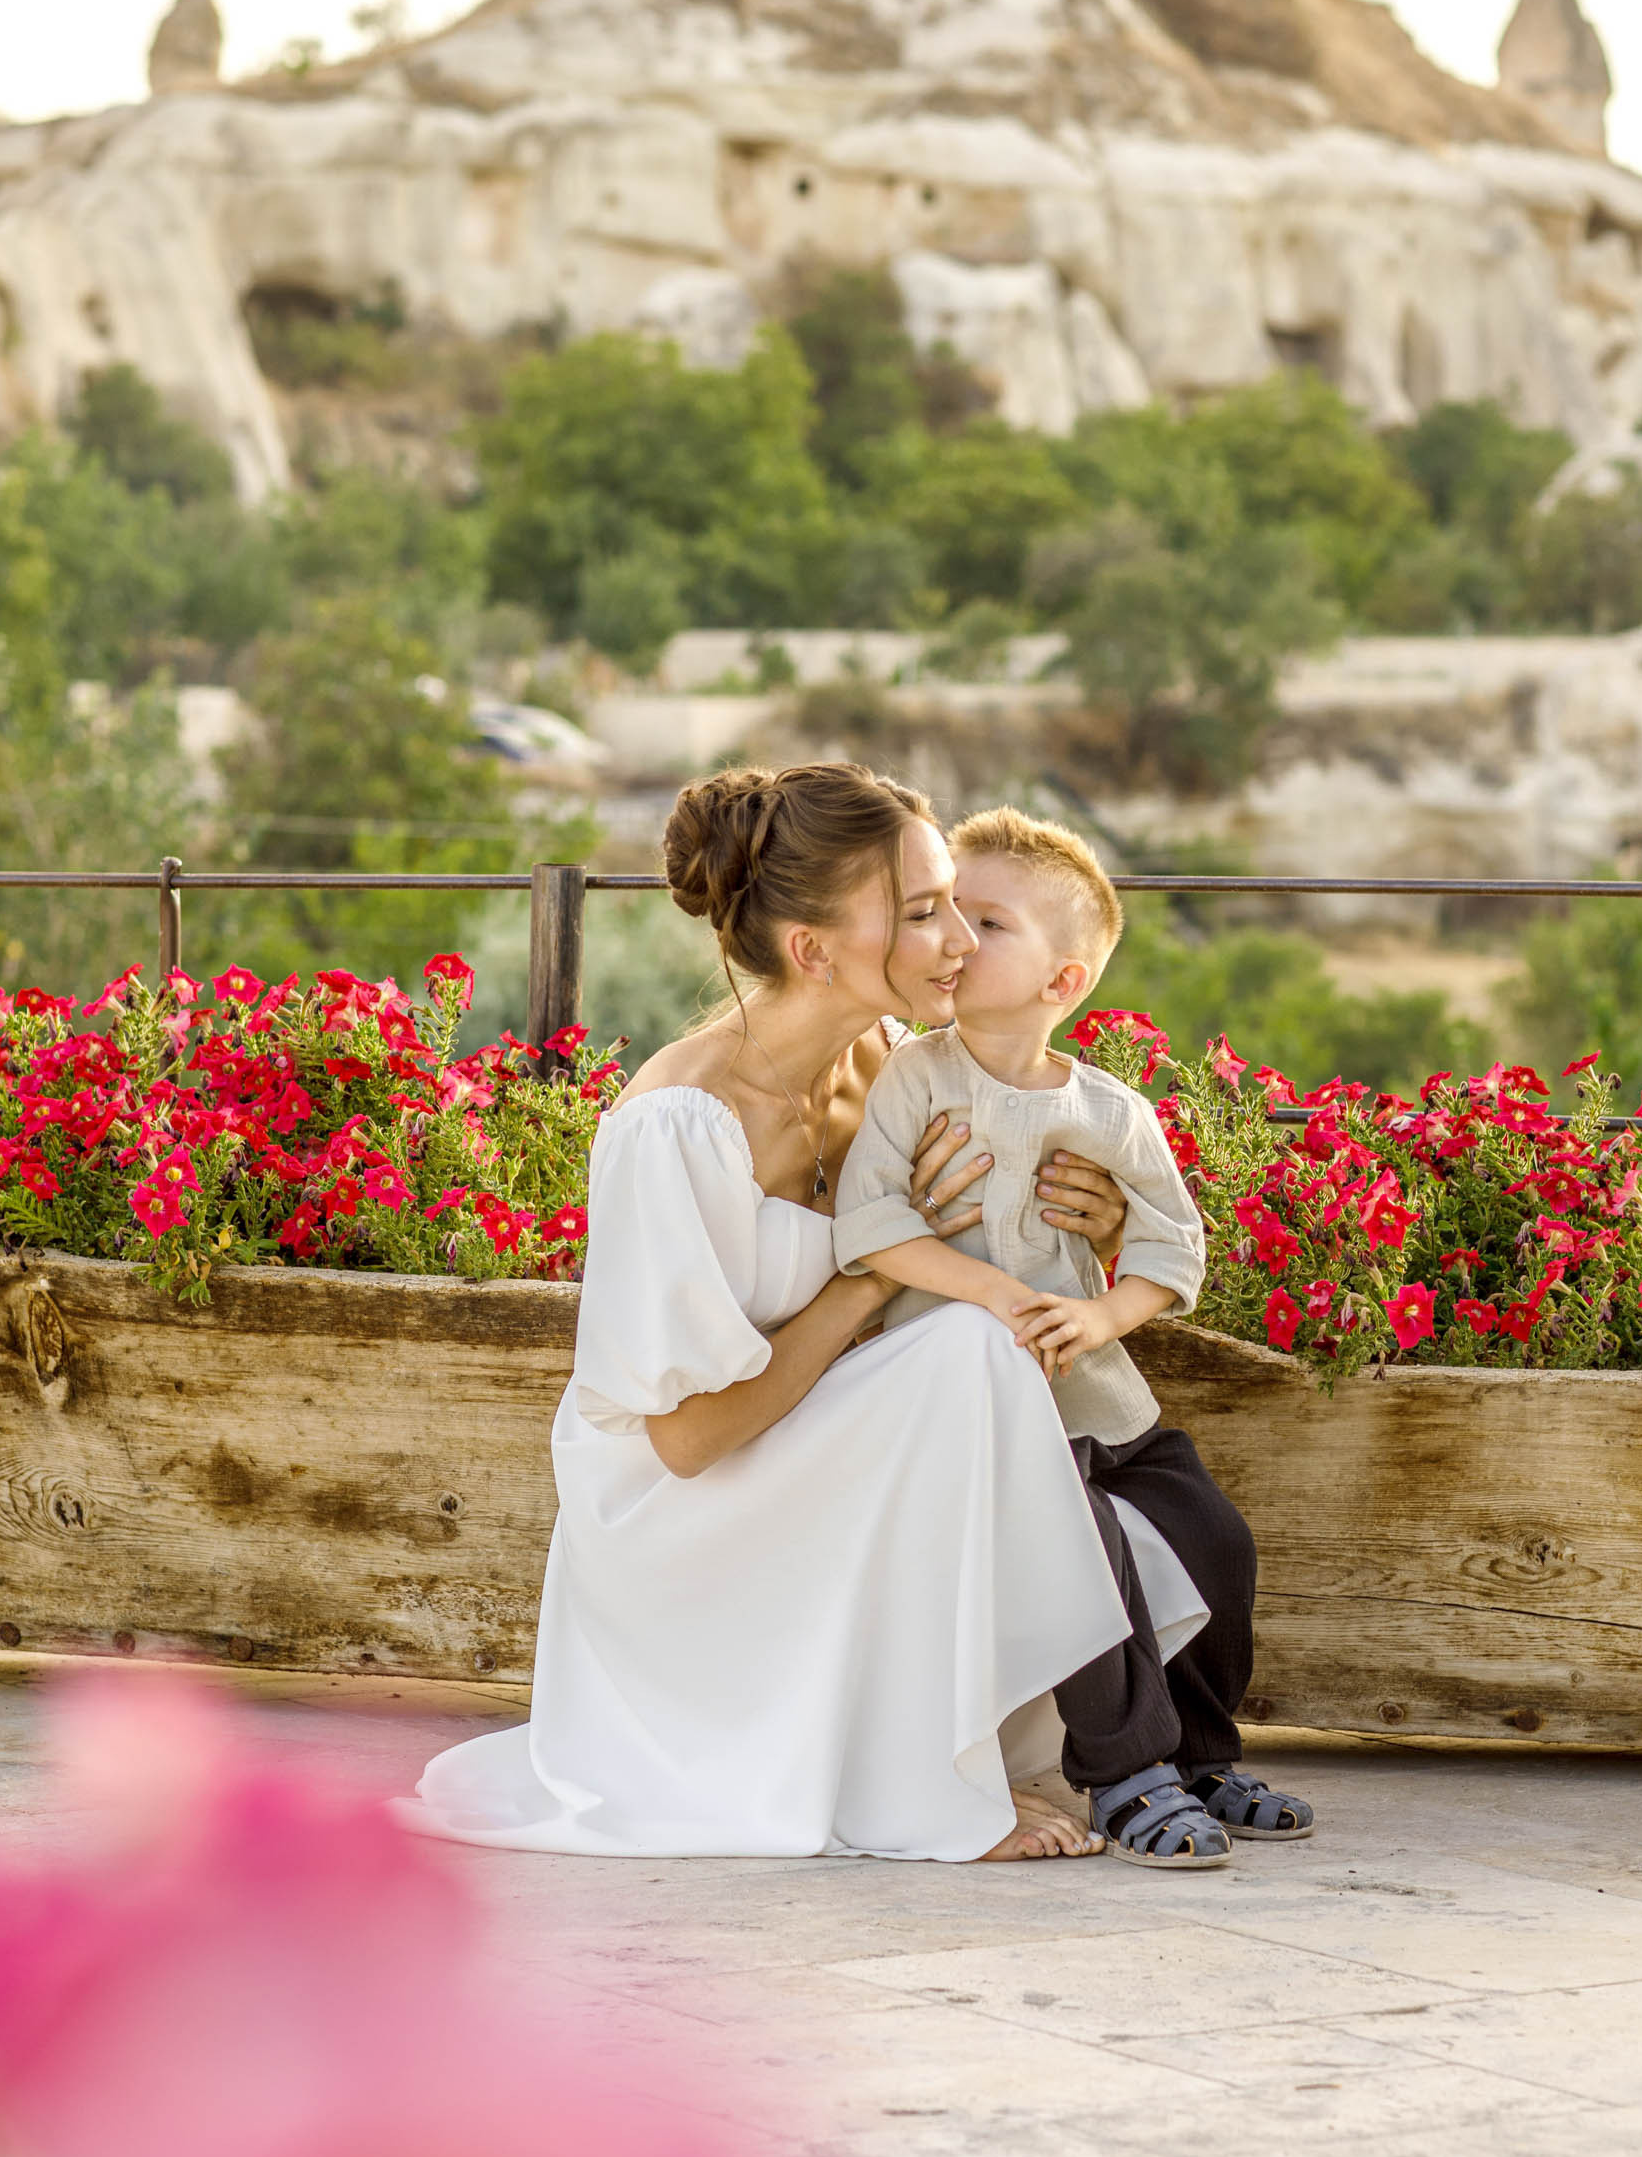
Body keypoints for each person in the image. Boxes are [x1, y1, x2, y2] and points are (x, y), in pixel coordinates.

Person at [408, 760, 1201, 1863]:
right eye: (924, 915)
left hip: (824, 1442)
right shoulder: (679, 1127)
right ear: (812, 951)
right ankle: (940, 1785)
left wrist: (1101, 1211)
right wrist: (869, 1278)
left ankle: (1072, 1748)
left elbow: (1023, 1185)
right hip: (682, 1509)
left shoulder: (892, 1066)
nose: (963, 943)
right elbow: (684, 1441)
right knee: (968, 1349)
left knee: (998, 1370)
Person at [832, 805, 1313, 1868]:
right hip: (970, 1406)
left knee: (1212, 1537)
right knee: (1078, 1547)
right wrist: (991, 1296)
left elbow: (1171, 1245)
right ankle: (1123, 1773)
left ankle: (1198, 1755)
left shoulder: (1110, 1110)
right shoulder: (914, 1076)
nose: (954, 936)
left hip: (1094, 1395)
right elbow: (869, 1226)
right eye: (946, 910)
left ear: (1065, 981)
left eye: (987, 922)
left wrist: (1102, 1314)